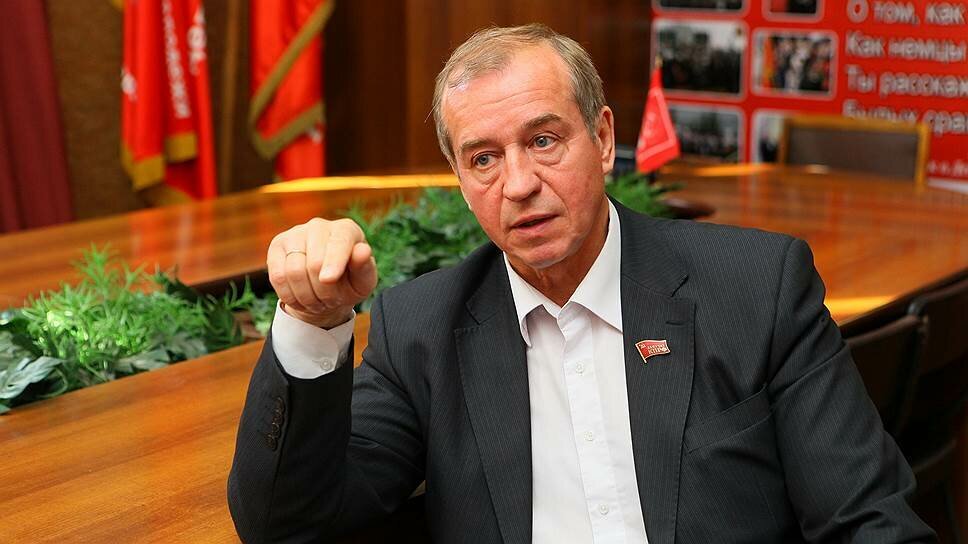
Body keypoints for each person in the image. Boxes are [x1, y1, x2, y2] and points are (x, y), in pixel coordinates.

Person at [228, 24, 935, 543]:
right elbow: (285, 526)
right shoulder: (422, 330)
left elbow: (870, 521)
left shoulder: (756, 289)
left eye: (543, 141)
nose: (519, 184)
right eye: (483, 158)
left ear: (602, 139)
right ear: (460, 180)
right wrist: (311, 322)